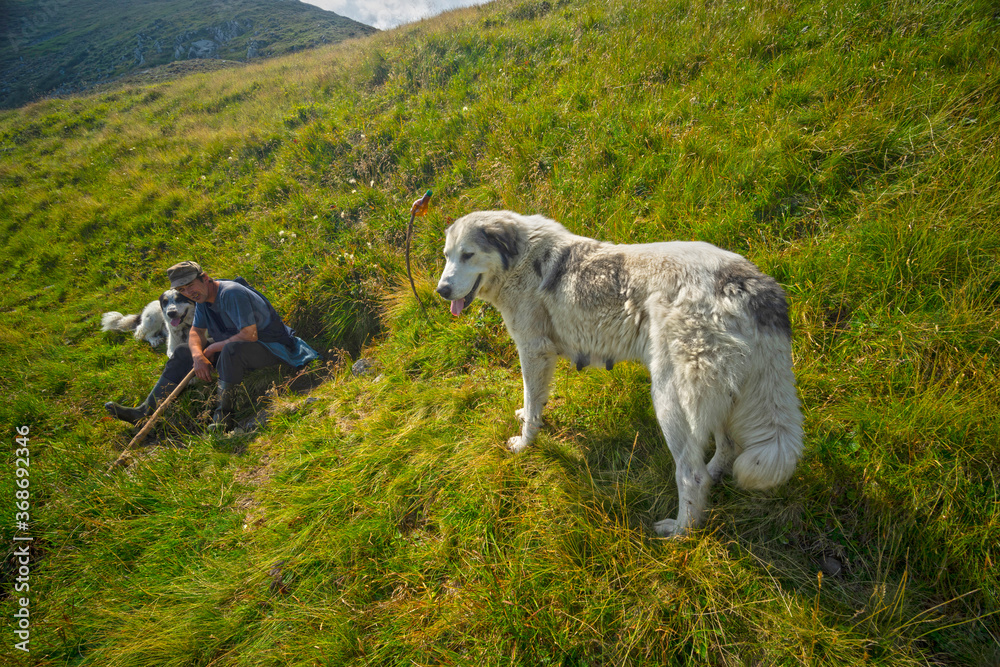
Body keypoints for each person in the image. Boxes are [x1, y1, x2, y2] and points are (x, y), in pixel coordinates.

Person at [105, 261, 320, 431]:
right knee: (183, 352)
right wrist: (198, 356)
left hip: (272, 347)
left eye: (191, 285)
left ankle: (224, 416)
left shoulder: (230, 293)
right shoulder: (202, 300)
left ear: (205, 278)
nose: (189, 292)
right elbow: (195, 332)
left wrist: (214, 348)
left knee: (229, 349)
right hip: (240, 349)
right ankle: (145, 412)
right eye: (182, 289)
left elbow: (250, 334)